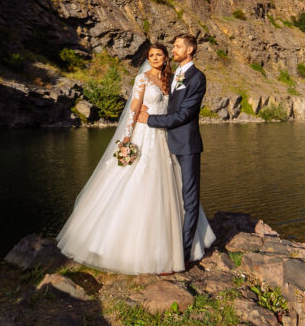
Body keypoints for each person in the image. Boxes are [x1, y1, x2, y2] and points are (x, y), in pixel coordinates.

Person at [56, 41, 214, 274]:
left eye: (160, 54)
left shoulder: (172, 79)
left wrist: (150, 120)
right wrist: (127, 138)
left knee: (170, 190)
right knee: (136, 183)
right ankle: (126, 247)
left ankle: (178, 247)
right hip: (144, 136)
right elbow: (134, 109)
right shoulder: (143, 79)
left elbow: (180, 111)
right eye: (152, 55)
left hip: (165, 139)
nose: (156, 57)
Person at [136, 33, 210, 269]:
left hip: (187, 145)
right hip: (167, 144)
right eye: (174, 46)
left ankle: (184, 255)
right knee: (171, 198)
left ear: (189, 50)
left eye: (178, 46)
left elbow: (185, 114)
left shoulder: (197, 77)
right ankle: (168, 245)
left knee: (189, 200)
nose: (174, 49)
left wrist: (150, 119)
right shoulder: (174, 74)